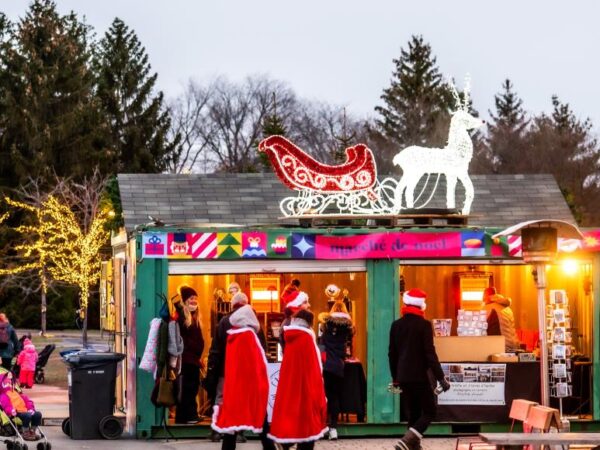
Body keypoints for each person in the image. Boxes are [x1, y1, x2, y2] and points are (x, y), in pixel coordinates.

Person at [388, 288, 450, 450]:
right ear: (421, 305)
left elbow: (391, 354)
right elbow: (430, 354)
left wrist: (395, 378)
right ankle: (407, 440)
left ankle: (414, 446)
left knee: (414, 413)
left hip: (403, 376)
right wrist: (441, 378)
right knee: (430, 411)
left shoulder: (396, 325)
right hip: (419, 376)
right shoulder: (424, 325)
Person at [206, 291, 267, 443]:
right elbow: (262, 347)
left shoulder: (224, 322)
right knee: (243, 399)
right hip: (247, 371)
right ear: (246, 304)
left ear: (232, 305)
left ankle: (217, 430)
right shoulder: (255, 323)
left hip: (225, 369)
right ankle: (240, 431)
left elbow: (216, 348)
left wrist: (212, 368)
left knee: (222, 399)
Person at [269, 309, 328, 450]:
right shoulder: (307, 338)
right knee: (308, 428)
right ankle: (288, 443)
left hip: (291, 386)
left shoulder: (291, 338)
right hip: (307, 387)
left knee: (293, 420)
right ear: (309, 323)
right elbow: (314, 367)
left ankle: (286, 442)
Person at [319, 301, 353, 440]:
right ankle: (333, 428)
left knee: (324, 396)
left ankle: (321, 426)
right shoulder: (347, 328)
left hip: (326, 366)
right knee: (335, 397)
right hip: (338, 366)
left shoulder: (325, 326)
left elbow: (321, 345)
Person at [173, 285, 205, 424]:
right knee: (189, 388)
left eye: (195, 298)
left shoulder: (193, 316)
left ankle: (186, 415)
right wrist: (193, 349)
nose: (194, 301)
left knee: (190, 388)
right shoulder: (182, 317)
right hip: (187, 360)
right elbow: (183, 340)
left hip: (193, 359)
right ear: (185, 300)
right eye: (191, 298)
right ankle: (189, 416)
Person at [0, 371, 42, 441]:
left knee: (38, 414)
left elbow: (28, 402)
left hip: (25, 410)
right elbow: (6, 405)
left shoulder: (17, 393)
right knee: (27, 416)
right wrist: (11, 410)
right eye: (6, 382)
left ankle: (32, 431)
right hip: (16, 412)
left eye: (10, 381)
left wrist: (31, 408)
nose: (9, 383)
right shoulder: (3, 396)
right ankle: (25, 432)